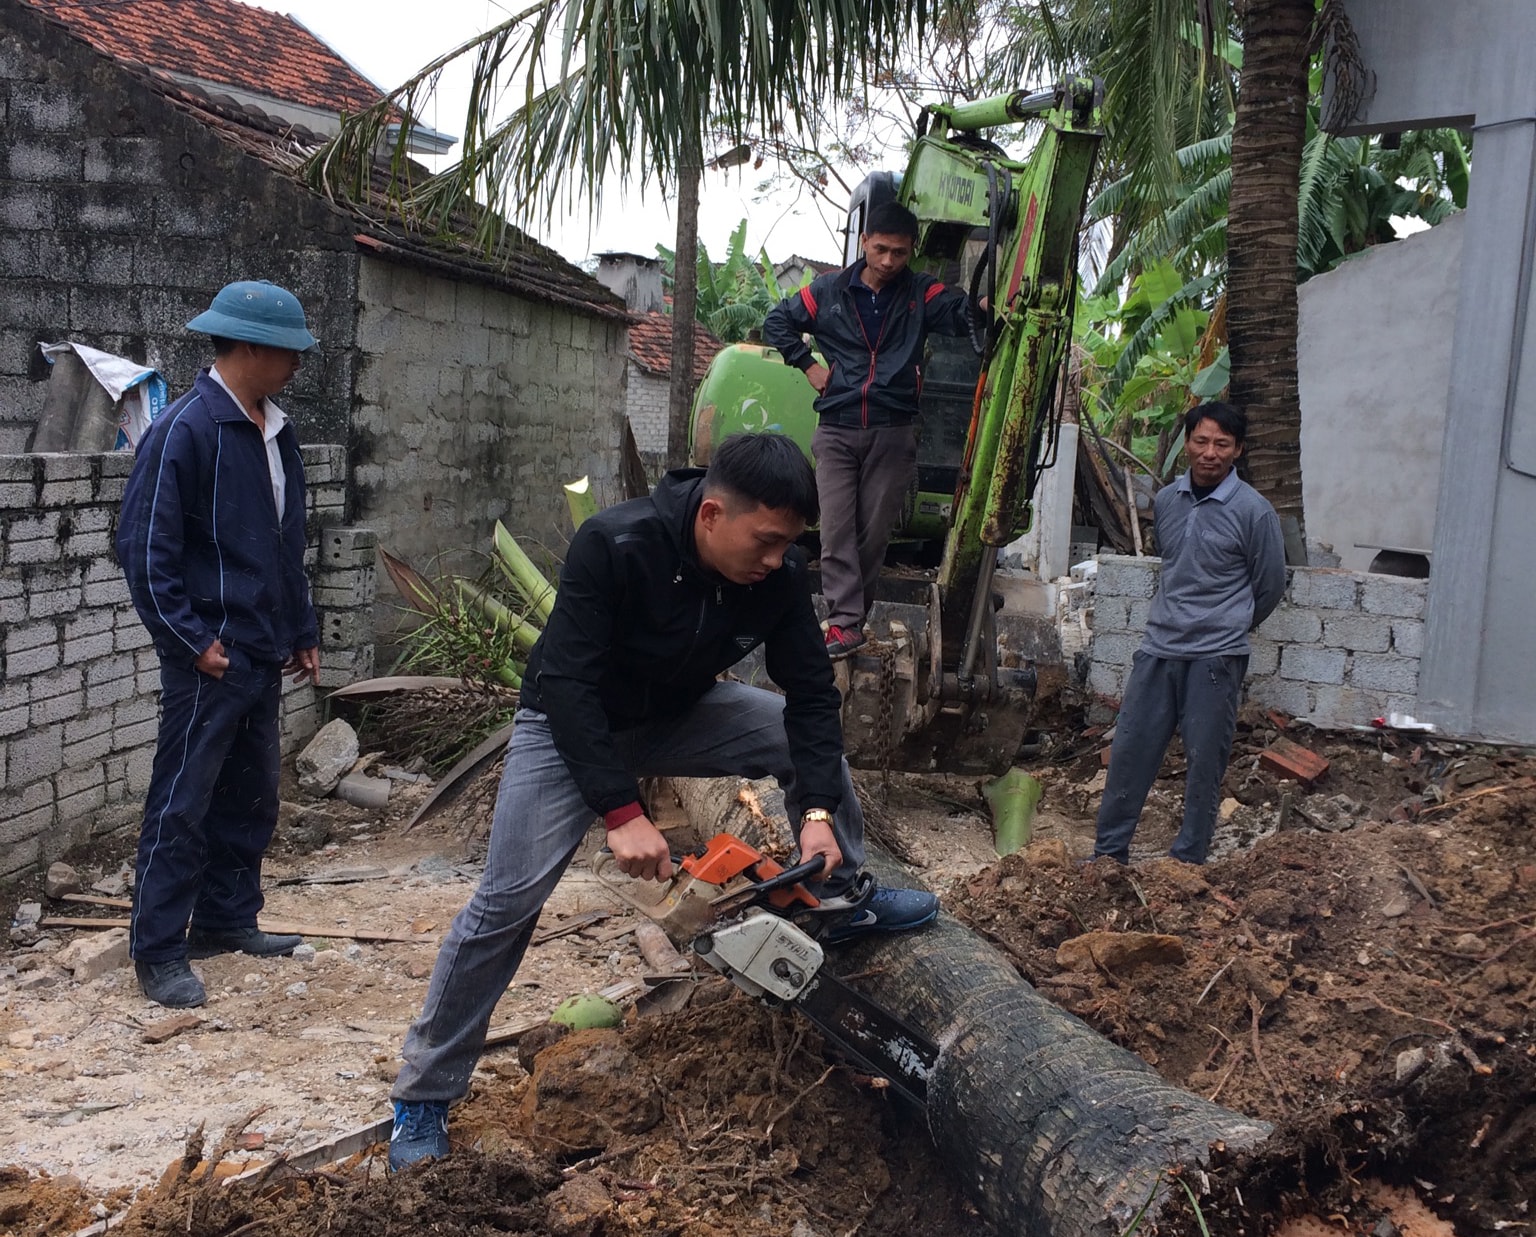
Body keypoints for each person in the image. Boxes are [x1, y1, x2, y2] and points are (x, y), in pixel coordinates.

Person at [388, 431, 940, 1169]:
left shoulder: (776, 571)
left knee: (792, 736)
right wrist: (621, 811)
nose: (777, 560)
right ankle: (422, 1095)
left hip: (681, 714)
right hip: (569, 724)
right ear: (711, 515)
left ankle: (836, 897)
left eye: (788, 545)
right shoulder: (614, 544)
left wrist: (813, 816)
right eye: (767, 541)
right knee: (506, 899)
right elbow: (570, 686)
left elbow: (810, 695)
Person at [116, 280, 322, 1009]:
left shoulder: (275, 429)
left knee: (250, 794)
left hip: (261, 650)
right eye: (288, 352)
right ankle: (160, 950)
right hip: (209, 656)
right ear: (249, 347)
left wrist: (301, 628)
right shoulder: (185, 431)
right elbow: (144, 551)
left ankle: (229, 919)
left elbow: (284, 540)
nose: (296, 365)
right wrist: (190, 640)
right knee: (183, 801)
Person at [762, 200, 975, 659]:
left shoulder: (920, 293)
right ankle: (843, 622)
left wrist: (982, 302)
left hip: (893, 431)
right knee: (836, 528)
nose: (888, 262)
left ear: (911, 250)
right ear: (863, 242)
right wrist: (807, 365)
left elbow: (961, 314)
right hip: (837, 427)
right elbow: (777, 321)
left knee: (872, 535)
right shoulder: (830, 291)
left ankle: (851, 624)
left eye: (899, 253)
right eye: (880, 250)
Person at [1092, 402, 1287, 866]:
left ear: (1237, 450)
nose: (1210, 452)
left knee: (1204, 765)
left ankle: (1187, 863)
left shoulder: (1254, 512)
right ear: (1187, 444)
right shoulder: (1166, 501)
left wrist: (1230, 623)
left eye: (1222, 444)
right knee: (1130, 753)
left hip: (1215, 658)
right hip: (1158, 648)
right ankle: (1108, 853)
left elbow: (1271, 585)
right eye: (1201, 441)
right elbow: (1173, 565)